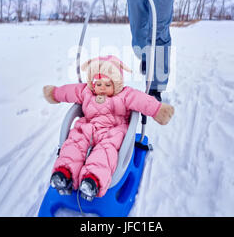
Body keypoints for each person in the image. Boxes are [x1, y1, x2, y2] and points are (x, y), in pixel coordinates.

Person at [43, 55, 175, 201]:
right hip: (88, 126)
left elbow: (142, 100)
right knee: (74, 141)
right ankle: (64, 173)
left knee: (106, 151)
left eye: (107, 85)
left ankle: (92, 180)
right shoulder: (86, 91)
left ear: (116, 83)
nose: (102, 89)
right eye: (98, 84)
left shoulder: (125, 94)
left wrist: (157, 110)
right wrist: (54, 93)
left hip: (113, 131)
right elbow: (69, 91)